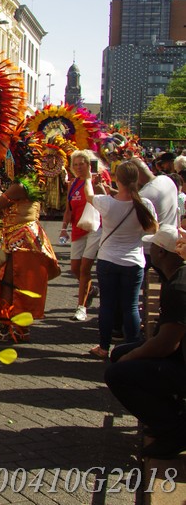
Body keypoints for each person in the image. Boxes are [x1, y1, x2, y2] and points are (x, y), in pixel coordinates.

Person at [104, 224, 186, 459]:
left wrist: (131, 357)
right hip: (179, 355)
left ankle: (175, 430)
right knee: (119, 354)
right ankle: (170, 417)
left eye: (153, 247)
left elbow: (166, 345)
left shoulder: (178, 286)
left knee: (118, 373)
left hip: (180, 360)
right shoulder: (176, 278)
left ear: (161, 252)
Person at [0, 133, 61, 342]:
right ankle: (14, 329)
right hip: (19, 239)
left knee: (15, 285)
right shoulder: (24, 184)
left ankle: (9, 330)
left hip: (24, 241)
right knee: (12, 283)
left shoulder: (20, 187)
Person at [89, 161, 158, 358]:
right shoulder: (144, 205)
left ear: (117, 179)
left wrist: (91, 182)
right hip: (133, 261)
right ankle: (133, 350)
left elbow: (89, 196)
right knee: (131, 307)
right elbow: (152, 229)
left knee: (107, 305)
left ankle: (103, 347)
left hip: (108, 259)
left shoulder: (106, 202)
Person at [61, 150, 102, 321]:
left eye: (81, 164)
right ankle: (90, 289)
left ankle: (81, 308)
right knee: (75, 268)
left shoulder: (96, 181)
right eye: (75, 164)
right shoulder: (72, 184)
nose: (78, 167)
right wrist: (64, 228)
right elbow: (69, 209)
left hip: (94, 229)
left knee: (85, 268)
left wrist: (98, 185)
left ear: (88, 165)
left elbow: (106, 202)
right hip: (78, 229)